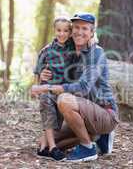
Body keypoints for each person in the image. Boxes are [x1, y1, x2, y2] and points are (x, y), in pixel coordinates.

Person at [31, 12, 119, 162]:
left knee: (64, 100)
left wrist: (46, 88)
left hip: (104, 112)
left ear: (92, 33)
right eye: (76, 28)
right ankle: (95, 138)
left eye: (85, 29)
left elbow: (83, 87)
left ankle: (87, 147)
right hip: (85, 113)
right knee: (44, 144)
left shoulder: (95, 53)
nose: (79, 32)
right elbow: (52, 56)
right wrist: (44, 76)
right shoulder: (71, 54)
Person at [32, 16, 74, 161]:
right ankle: (52, 148)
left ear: (70, 32)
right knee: (47, 106)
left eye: (66, 31)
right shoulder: (46, 51)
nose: (62, 34)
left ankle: (43, 148)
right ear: (54, 31)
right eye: (59, 30)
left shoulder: (74, 49)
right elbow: (38, 73)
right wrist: (41, 77)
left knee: (56, 120)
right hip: (47, 90)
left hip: (64, 91)